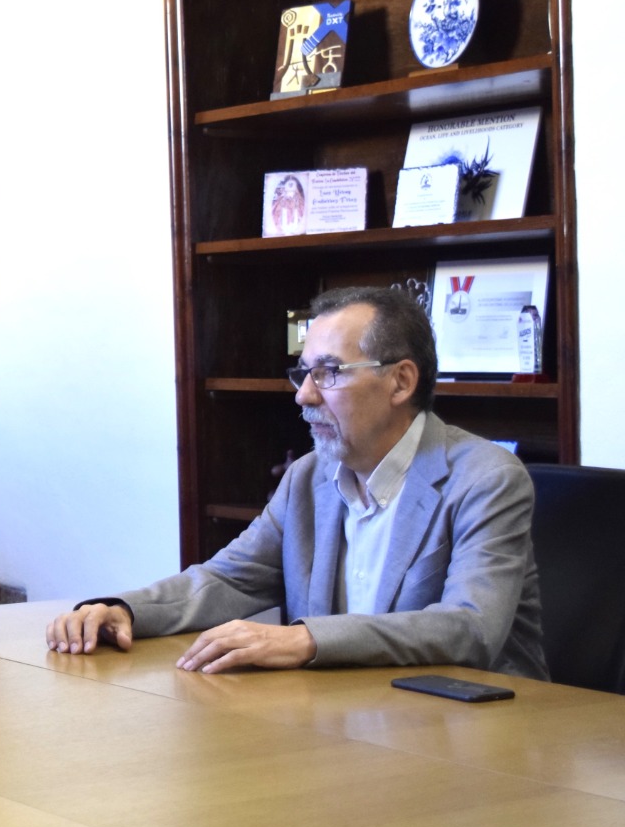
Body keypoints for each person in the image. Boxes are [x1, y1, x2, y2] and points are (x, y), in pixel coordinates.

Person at [47, 285, 547, 680]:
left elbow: (471, 627)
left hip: (477, 738)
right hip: (348, 722)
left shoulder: (486, 479)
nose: (304, 396)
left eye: (328, 373)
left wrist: (305, 639)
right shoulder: (309, 477)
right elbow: (228, 580)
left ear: (401, 382)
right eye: (303, 373)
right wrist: (124, 609)